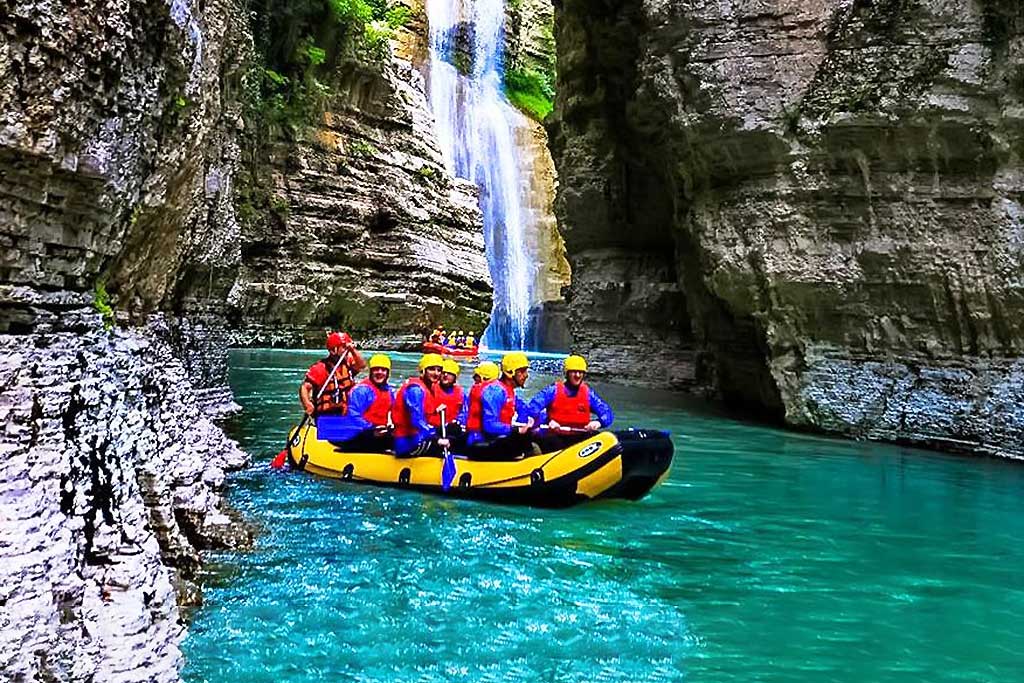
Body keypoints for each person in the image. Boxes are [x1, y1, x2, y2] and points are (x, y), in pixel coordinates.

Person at [529, 354, 614, 450]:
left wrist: (599, 422)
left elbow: (607, 413)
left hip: (580, 437)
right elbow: (533, 407)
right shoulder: (553, 391)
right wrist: (547, 421)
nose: (577, 375)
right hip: (556, 437)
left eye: (580, 372)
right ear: (567, 373)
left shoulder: (588, 394)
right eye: (574, 372)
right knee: (549, 440)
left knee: (598, 438)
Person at [465, 351, 536, 460]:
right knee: (522, 438)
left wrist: (533, 421)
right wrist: (517, 430)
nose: (526, 375)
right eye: (521, 372)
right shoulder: (495, 391)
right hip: (480, 441)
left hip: (494, 439)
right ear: (510, 372)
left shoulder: (509, 391)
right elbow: (489, 425)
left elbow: (524, 409)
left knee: (532, 435)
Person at [323, 354, 395, 452]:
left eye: (383, 370)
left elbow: (396, 413)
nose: (379, 373)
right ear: (371, 371)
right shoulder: (362, 390)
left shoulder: (389, 392)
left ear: (388, 373)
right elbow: (353, 416)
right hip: (358, 432)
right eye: (376, 369)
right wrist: (371, 429)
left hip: (378, 432)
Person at [392, 353, 450, 457]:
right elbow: (417, 420)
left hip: (418, 437)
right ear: (423, 371)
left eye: (439, 370)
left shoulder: (428, 388)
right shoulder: (415, 390)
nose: (436, 373)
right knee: (446, 444)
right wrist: (436, 438)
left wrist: (435, 412)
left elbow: (425, 414)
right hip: (407, 443)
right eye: (432, 369)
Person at [299, 331, 366, 417]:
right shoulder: (320, 368)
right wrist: (307, 404)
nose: (347, 350)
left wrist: (353, 350)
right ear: (333, 350)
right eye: (344, 347)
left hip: (347, 413)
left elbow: (361, 365)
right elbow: (305, 388)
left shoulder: (347, 363)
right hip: (328, 416)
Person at [430, 359, 467, 446]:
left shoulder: (461, 393)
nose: (445, 375)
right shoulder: (431, 389)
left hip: (451, 429)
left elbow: (464, 413)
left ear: (455, 377)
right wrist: (435, 411)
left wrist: (458, 421)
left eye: (449, 373)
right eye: (443, 372)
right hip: (434, 430)